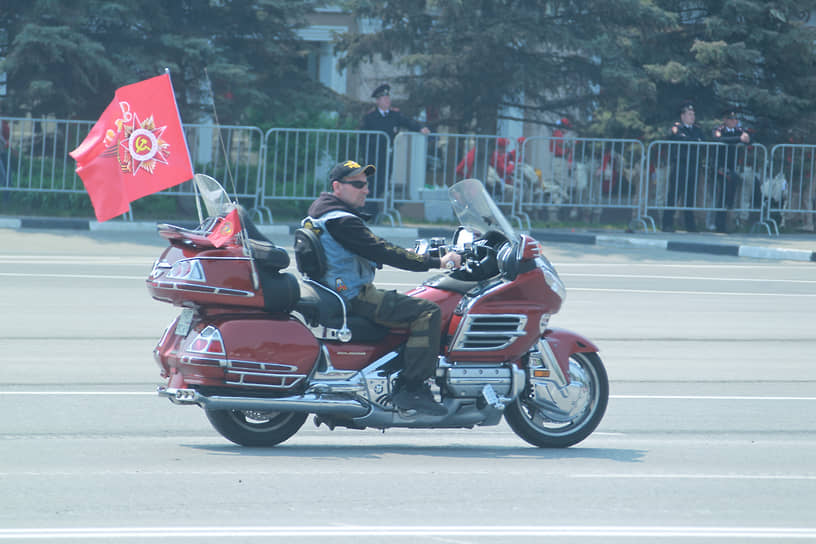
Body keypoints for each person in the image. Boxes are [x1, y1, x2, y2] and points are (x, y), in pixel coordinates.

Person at [303, 159, 461, 415]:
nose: (366, 190)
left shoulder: (322, 213)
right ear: (337, 187)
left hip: (334, 290)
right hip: (354, 295)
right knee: (428, 311)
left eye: (366, 184)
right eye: (358, 184)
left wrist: (406, 253)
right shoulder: (342, 221)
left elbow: (366, 249)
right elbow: (381, 249)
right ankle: (412, 387)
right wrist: (436, 262)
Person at [359, 83, 430, 215]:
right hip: (373, 155)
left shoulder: (394, 115)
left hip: (387, 154)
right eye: (384, 99)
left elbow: (408, 122)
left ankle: (374, 210)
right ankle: (369, 210)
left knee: (383, 182)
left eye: (388, 98)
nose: (387, 101)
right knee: (371, 182)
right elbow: (363, 138)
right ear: (378, 101)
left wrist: (420, 128)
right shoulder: (370, 117)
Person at [664, 100, 703, 232]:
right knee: (674, 194)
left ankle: (690, 225)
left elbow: (702, 141)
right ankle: (667, 223)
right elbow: (679, 139)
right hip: (680, 164)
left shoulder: (697, 129)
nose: (692, 117)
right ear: (683, 116)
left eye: (693, 114)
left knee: (690, 196)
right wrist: (693, 141)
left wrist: (692, 141)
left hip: (693, 165)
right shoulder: (677, 128)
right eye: (690, 114)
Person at [711, 108, 751, 232]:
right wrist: (738, 139)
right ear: (725, 120)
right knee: (723, 193)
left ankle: (725, 221)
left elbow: (749, 140)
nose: (734, 121)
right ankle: (720, 223)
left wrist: (745, 138)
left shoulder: (739, 131)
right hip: (719, 166)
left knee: (728, 192)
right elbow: (719, 139)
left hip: (732, 166)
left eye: (735, 119)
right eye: (731, 119)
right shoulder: (719, 130)